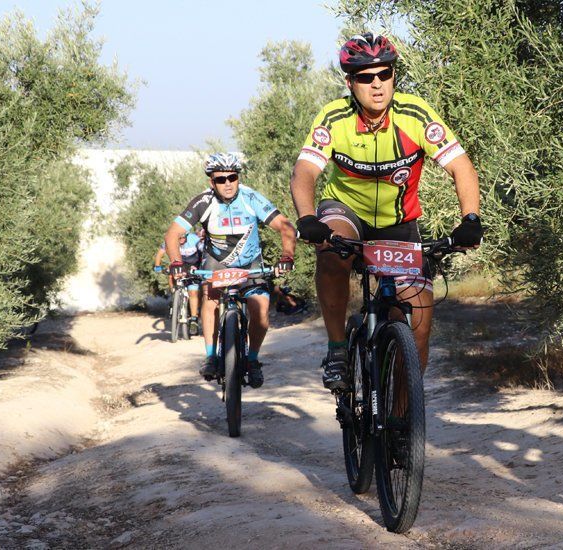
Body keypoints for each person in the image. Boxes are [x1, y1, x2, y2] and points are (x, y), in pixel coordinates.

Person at [289, 33, 483, 391]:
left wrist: (470, 218)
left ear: (395, 76)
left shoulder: (415, 114)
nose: (377, 84)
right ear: (350, 82)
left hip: (399, 222)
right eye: (365, 77)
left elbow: (461, 167)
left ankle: (402, 426)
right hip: (345, 211)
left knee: (420, 324)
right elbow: (304, 172)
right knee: (332, 251)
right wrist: (306, 218)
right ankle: (336, 351)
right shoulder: (334, 118)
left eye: (385, 74)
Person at [165, 153, 297, 388]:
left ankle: (253, 360)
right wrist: (176, 262)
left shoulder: (250, 197)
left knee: (261, 308)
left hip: (250, 263)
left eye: (232, 177)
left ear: (238, 178)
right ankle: (211, 356)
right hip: (216, 262)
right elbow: (173, 234)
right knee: (211, 299)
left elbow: (285, 227)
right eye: (220, 179)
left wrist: (287, 256)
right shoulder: (203, 202)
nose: (227, 183)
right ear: (211, 182)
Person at [154, 229, 204, 335]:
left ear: (187, 236)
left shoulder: (194, 239)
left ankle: (194, 319)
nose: (181, 240)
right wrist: (157, 266)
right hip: (181, 264)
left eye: (183, 238)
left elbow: (203, 251)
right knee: (171, 273)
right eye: (179, 238)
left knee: (193, 292)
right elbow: (160, 253)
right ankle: (175, 297)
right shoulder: (171, 240)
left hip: (194, 264)